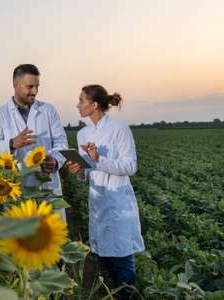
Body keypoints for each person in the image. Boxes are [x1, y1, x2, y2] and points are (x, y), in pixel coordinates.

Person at [66, 84, 144, 299]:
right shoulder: (82, 134)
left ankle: (126, 295)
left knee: (122, 257)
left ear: (95, 105)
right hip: (97, 202)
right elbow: (87, 174)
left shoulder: (120, 130)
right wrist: (79, 170)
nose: (78, 105)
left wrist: (99, 159)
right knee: (104, 257)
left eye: (82, 100)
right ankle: (117, 292)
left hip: (118, 201)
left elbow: (130, 167)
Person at [0, 64, 68, 221]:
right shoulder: (0, 115)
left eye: (37, 86)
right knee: (21, 241)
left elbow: (61, 142)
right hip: (17, 189)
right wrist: (11, 144)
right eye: (30, 86)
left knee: (52, 238)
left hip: (46, 186)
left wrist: (55, 160)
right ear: (15, 85)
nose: (35, 91)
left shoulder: (48, 111)